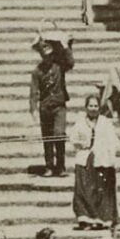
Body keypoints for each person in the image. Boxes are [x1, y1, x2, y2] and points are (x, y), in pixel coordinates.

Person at [69, 95, 119, 230]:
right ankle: (86, 219)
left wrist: (106, 152)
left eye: (95, 106)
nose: (93, 109)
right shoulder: (80, 122)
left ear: (99, 108)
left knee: (101, 190)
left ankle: (102, 219)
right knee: (83, 190)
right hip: (84, 159)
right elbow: (73, 138)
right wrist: (82, 144)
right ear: (86, 107)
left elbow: (113, 140)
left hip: (102, 160)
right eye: (90, 106)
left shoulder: (105, 122)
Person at [30, 33, 74, 178]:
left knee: (59, 134)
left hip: (59, 106)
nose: (47, 58)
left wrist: (66, 46)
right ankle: (49, 166)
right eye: (44, 56)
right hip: (45, 108)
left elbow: (71, 62)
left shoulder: (59, 66)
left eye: (49, 55)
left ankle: (60, 166)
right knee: (47, 138)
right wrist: (34, 109)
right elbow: (34, 92)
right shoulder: (37, 71)